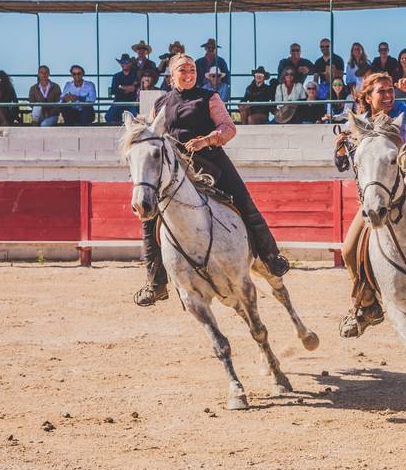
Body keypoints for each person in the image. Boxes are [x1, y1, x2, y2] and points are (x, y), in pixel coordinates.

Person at [134, 54, 290, 306]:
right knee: (148, 215)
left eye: (192, 69)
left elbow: (229, 128)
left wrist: (206, 140)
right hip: (176, 168)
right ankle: (155, 283)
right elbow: (155, 135)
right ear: (171, 74)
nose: (189, 73)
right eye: (183, 69)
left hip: (210, 161)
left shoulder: (208, 97)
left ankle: (271, 257)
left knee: (243, 201)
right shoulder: (161, 102)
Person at [334, 73, 406, 338]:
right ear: (368, 97)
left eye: (391, 91)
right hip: (375, 200)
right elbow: (345, 166)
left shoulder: (403, 112)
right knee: (348, 251)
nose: (389, 96)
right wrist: (340, 152)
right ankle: (366, 306)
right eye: (382, 92)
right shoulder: (359, 124)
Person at [105, 54, 139, 125]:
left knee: (134, 118)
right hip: (118, 102)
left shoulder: (135, 75)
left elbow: (134, 89)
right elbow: (114, 90)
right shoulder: (116, 76)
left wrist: (121, 87)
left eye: (126, 62)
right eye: (122, 62)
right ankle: (118, 128)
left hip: (131, 102)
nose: (124, 64)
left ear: (130, 64)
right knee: (108, 117)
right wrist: (128, 88)